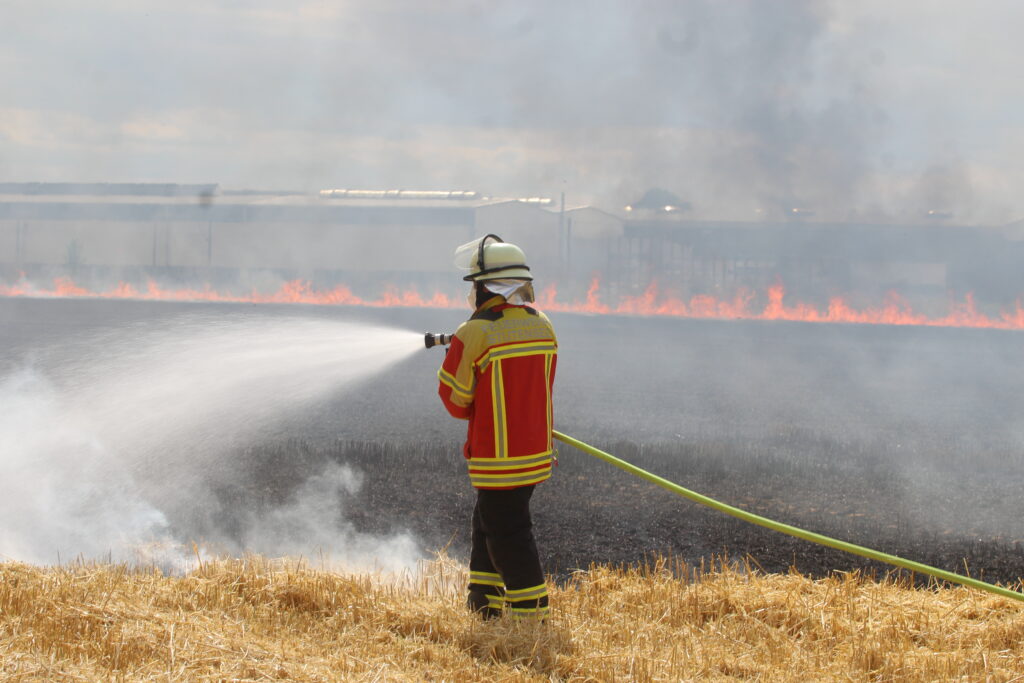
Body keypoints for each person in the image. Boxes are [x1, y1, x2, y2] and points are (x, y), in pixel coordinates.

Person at [437, 234, 557, 620]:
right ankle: (484, 599)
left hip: (498, 457)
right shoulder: (543, 325)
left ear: (485, 286)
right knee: (488, 520)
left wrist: (460, 353)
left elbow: (456, 401)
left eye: (474, 284)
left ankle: (530, 615)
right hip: (535, 453)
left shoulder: (474, 331)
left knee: (508, 534)